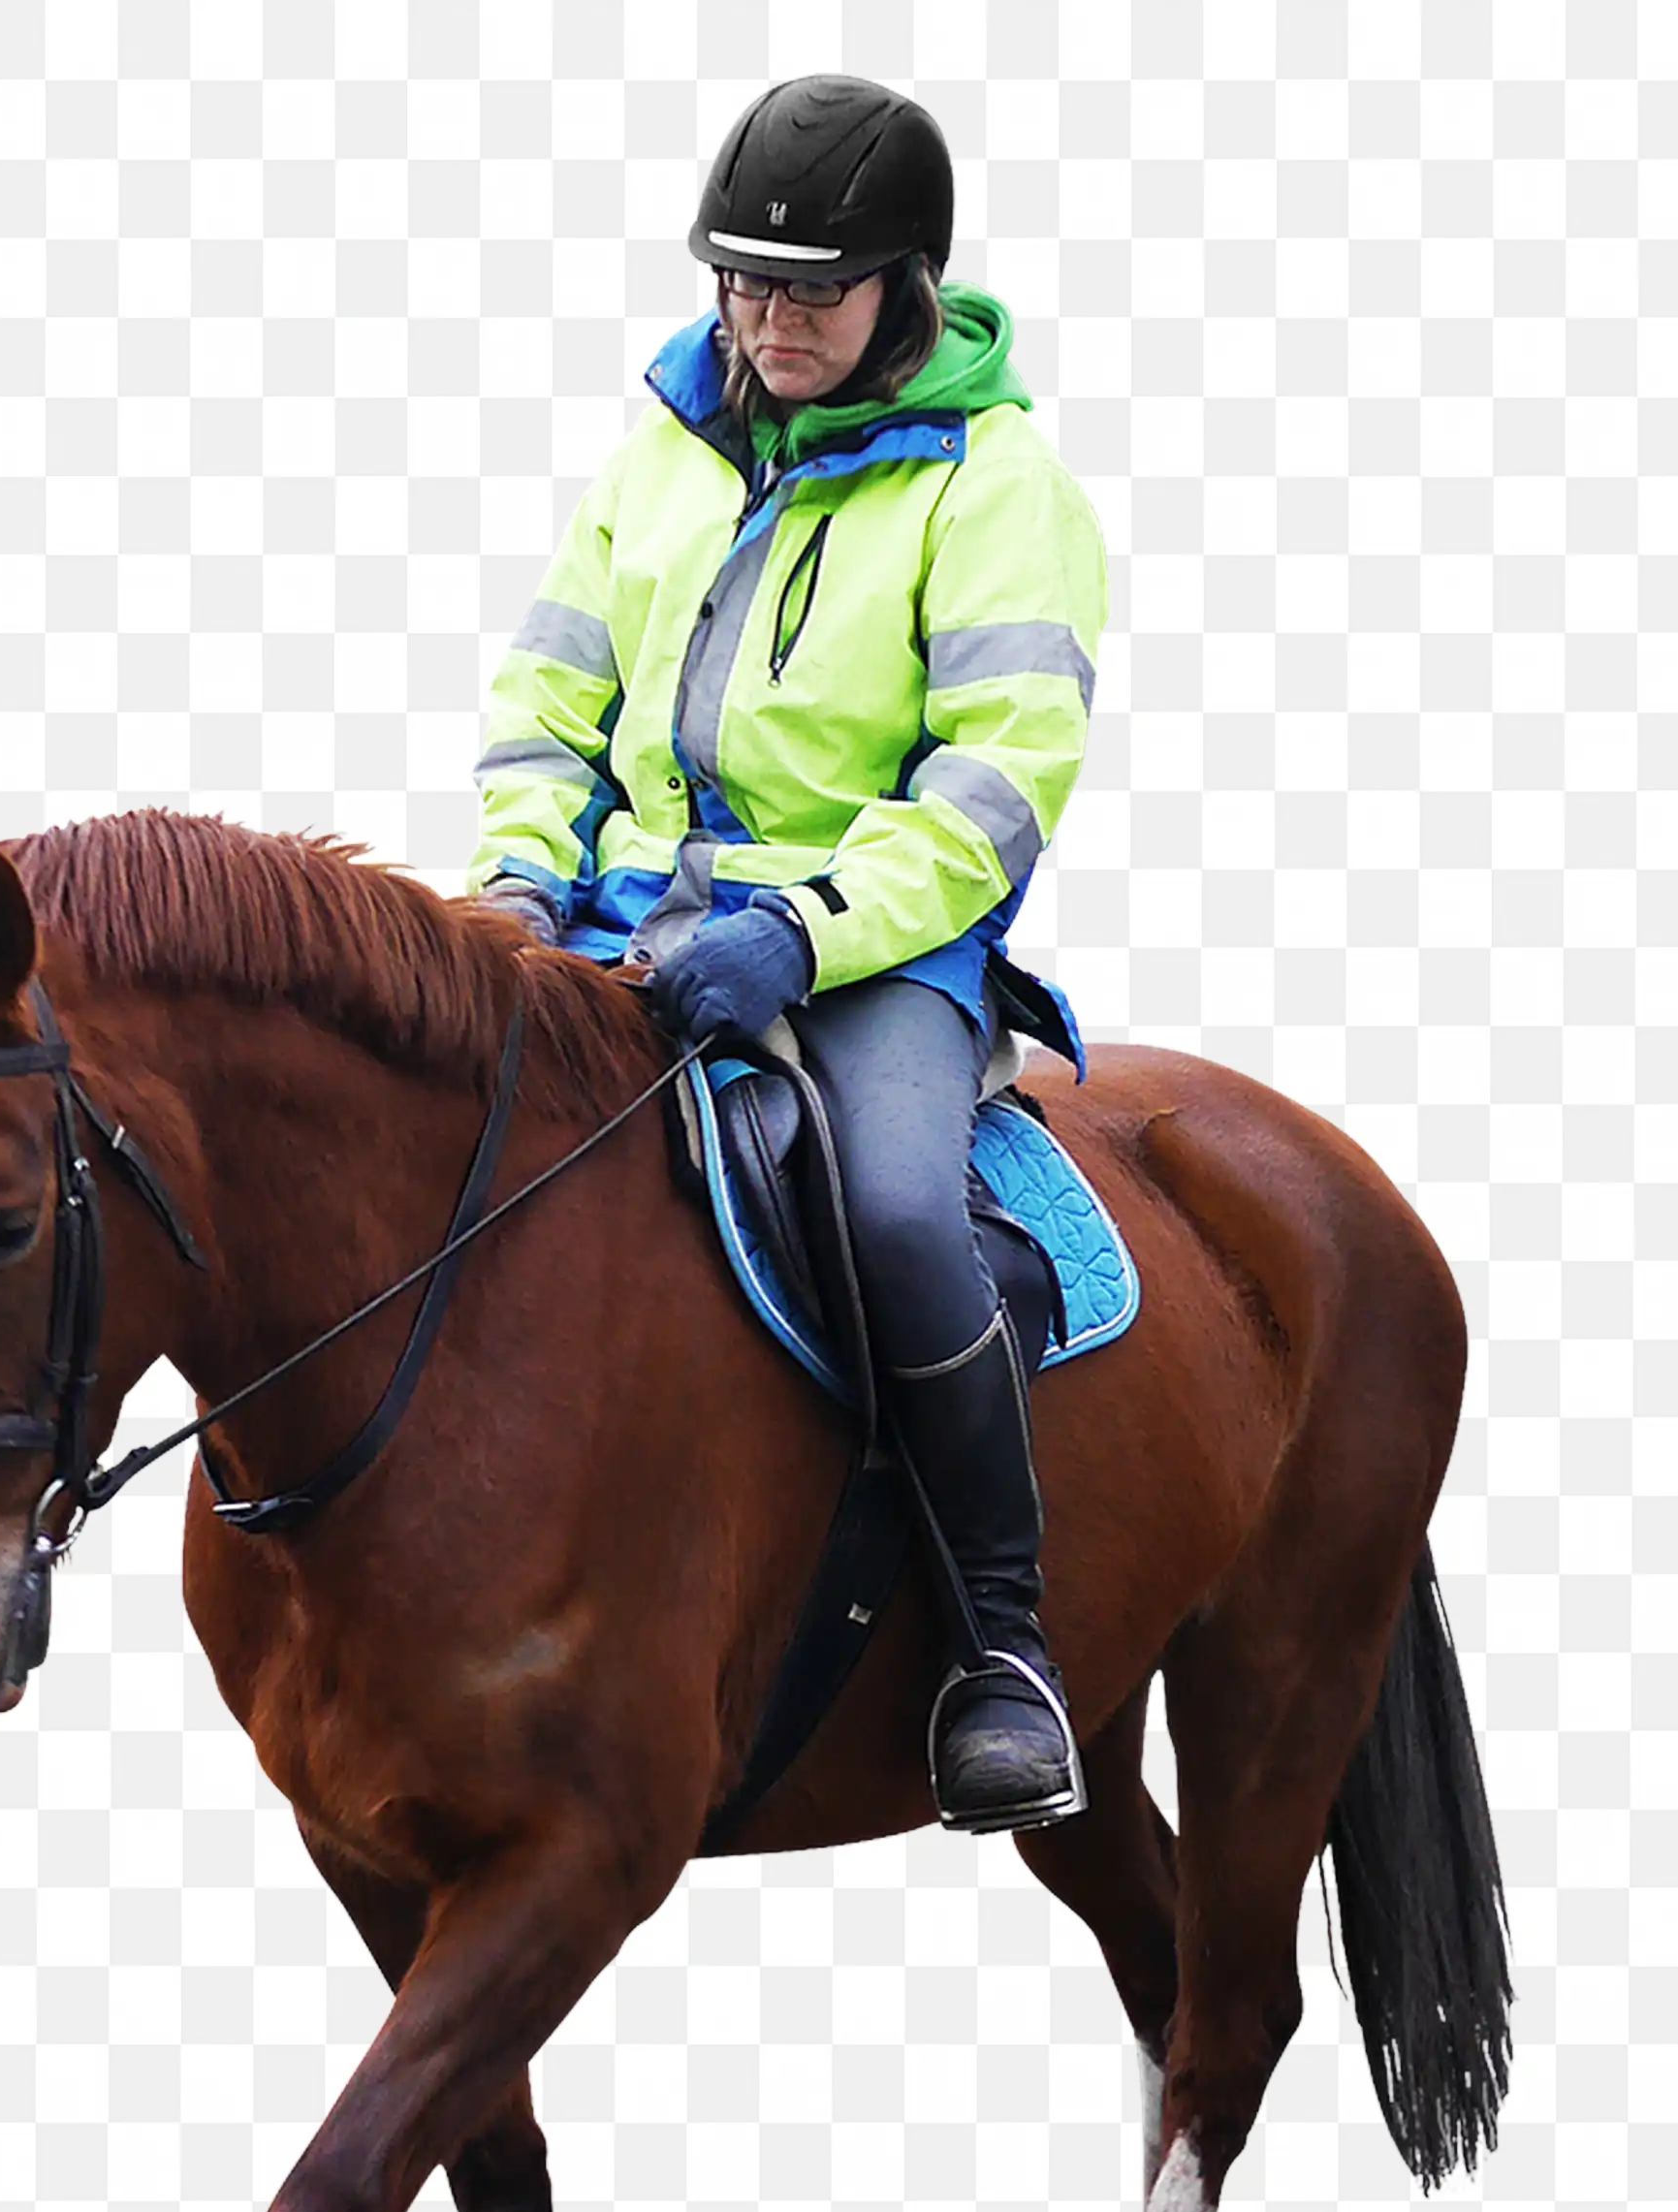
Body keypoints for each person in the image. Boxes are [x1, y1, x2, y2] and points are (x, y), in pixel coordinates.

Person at [462, 73, 1114, 1835]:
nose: (768, 322)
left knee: (899, 1215)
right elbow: (547, 701)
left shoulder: (998, 483)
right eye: (742, 284)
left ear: (904, 286)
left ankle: (1005, 1648)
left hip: (875, 949)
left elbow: (990, 787)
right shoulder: (665, 448)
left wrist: (802, 934)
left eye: (810, 291)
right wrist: (519, 885)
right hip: (619, 921)